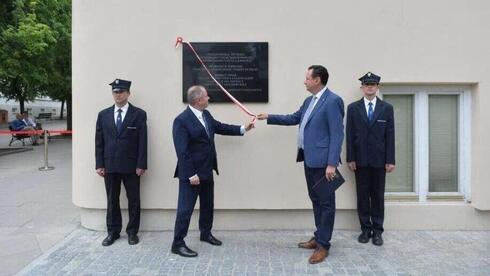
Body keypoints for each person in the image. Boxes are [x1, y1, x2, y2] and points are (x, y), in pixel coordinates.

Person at [257, 65, 344, 264]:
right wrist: (268, 117)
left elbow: (337, 134)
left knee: (326, 204)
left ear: (318, 80)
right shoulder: (309, 101)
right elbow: (294, 118)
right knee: (315, 199)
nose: (304, 81)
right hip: (309, 159)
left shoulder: (333, 101)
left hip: (324, 164)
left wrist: (332, 163)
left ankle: (324, 246)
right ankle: (319, 236)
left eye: (307, 78)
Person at [171, 85, 254, 257]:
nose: (209, 99)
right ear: (198, 100)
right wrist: (191, 174)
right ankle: (177, 243)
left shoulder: (206, 115)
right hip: (192, 174)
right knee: (185, 209)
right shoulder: (181, 120)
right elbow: (182, 151)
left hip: (207, 170)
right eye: (207, 97)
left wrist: (243, 128)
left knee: (208, 205)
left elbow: (221, 127)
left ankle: (205, 233)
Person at [95, 78, 148, 246]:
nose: (117, 95)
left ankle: (132, 232)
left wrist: (141, 164)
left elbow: (143, 141)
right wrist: (99, 164)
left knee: (133, 200)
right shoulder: (103, 115)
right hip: (109, 165)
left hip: (131, 166)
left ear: (128, 93)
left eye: (121, 91)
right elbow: (99, 141)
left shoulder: (139, 114)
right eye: (115, 92)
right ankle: (113, 232)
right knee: (112, 200)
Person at [346, 72, 395, 246]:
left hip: (380, 161)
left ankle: (378, 231)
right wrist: (350, 158)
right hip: (360, 161)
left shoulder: (387, 108)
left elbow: (390, 136)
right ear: (362, 87)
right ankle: (365, 230)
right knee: (362, 196)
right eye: (366, 84)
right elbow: (350, 135)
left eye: (373, 85)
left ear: (377, 87)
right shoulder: (353, 108)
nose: (369, 87)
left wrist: (390, 160)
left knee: (377, 196)